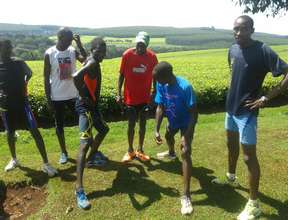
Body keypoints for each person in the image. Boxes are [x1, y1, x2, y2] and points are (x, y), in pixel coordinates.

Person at [212, 15, 288, 220]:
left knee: (249, 157)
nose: (239, 33)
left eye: (243, 29)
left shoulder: (262, 50)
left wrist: (266, 97)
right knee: (230, 146)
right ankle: (231, 178)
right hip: (230, 110)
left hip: (247, 113)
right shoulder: (232, 49)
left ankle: (254, 204)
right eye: (236, 29)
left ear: (252, 30)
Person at [0, 39, 58, 177]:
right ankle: (14, 160)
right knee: (10, 132)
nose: (8, 50)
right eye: (5, 48)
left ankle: (46, 164)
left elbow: (29, 73)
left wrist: (24, 84)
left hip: (22, 103)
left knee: (34, 131)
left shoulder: (19, 63)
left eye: (9, 47)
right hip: (6, 106)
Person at [153, 61, 198, 215]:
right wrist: (156, 129)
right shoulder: (161, 85)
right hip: (173, 120)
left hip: (186, 122)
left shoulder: (185, 87)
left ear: (167, 75)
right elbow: (160, 107)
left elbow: (194, 113)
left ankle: (185, 196)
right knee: (167, 135)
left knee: (185, 151)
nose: (157, 82)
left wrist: (186, 136)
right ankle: (171, 153)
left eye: (158, 79)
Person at [73, 37, 109, 209]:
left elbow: (84, 54)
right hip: (85, 107)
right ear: (94, 50)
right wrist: (84, 95)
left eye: (104, 51)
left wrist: (78, 43)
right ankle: (79, 189)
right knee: (85, 143)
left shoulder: (90, 58)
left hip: (92, 106)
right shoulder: (92, 63)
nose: (103, 54)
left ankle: (91, 158)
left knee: (103, 129)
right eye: (100, 51)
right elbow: (76, 77)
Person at [44, 27, 87, 164]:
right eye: (68, 40)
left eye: (71, 40)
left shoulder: (72, 51)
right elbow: (45, 78)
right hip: (57, 96)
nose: (70, 42)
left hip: (74, 94)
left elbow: (85, 60)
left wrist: (79, 44)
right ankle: (63, 152)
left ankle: (88, 147)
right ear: (60, 38)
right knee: (59, 125)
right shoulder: (50, 53)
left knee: (84, 120)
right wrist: (48, 99)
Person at [116, 31, 158, 162]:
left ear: (147, 45)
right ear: (136, 42)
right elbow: (121, 75)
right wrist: (118, 93)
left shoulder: (152, 57)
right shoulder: (127, 55)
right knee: (131, 124)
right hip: (130, 98)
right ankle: (130, 150)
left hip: (145, 98)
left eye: (143, 45)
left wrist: (155, 91)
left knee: (143, 125)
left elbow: (155, 76)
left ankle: (140, 150)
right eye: (139, 44)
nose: (140, 47)